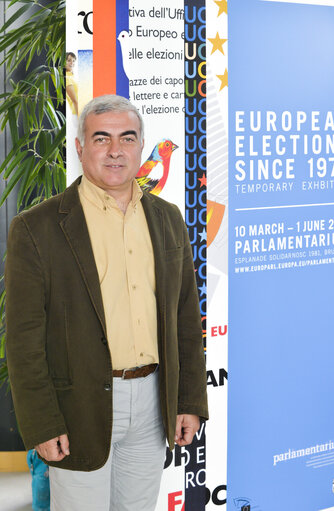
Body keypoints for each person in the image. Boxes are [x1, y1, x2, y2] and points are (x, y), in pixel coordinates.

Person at [5, 94, 208, 511]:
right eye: (102, 138)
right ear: (80, 148)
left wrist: (188, 400)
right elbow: (24, 340)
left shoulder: (168, 218)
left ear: (140, 145)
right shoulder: (36, 228)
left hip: (154, 399)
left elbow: (186, 320)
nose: (115, 150)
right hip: (78, 403)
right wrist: (42, 422)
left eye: (127, 138)